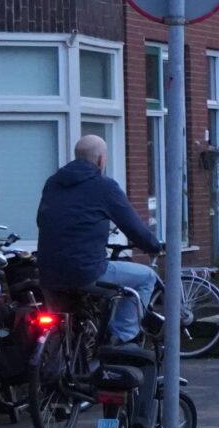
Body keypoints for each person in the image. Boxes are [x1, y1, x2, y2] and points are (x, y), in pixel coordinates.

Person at [35, 135, 162, 345]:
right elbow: (132, 227)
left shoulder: (53, 183)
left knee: (62, 326)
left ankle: (62, 364)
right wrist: (153, 246)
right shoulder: (104, 186)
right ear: (101, 160)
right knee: (146, 277)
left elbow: (42, 220)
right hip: (85, 271)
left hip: (48, 271)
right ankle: (122, 339)